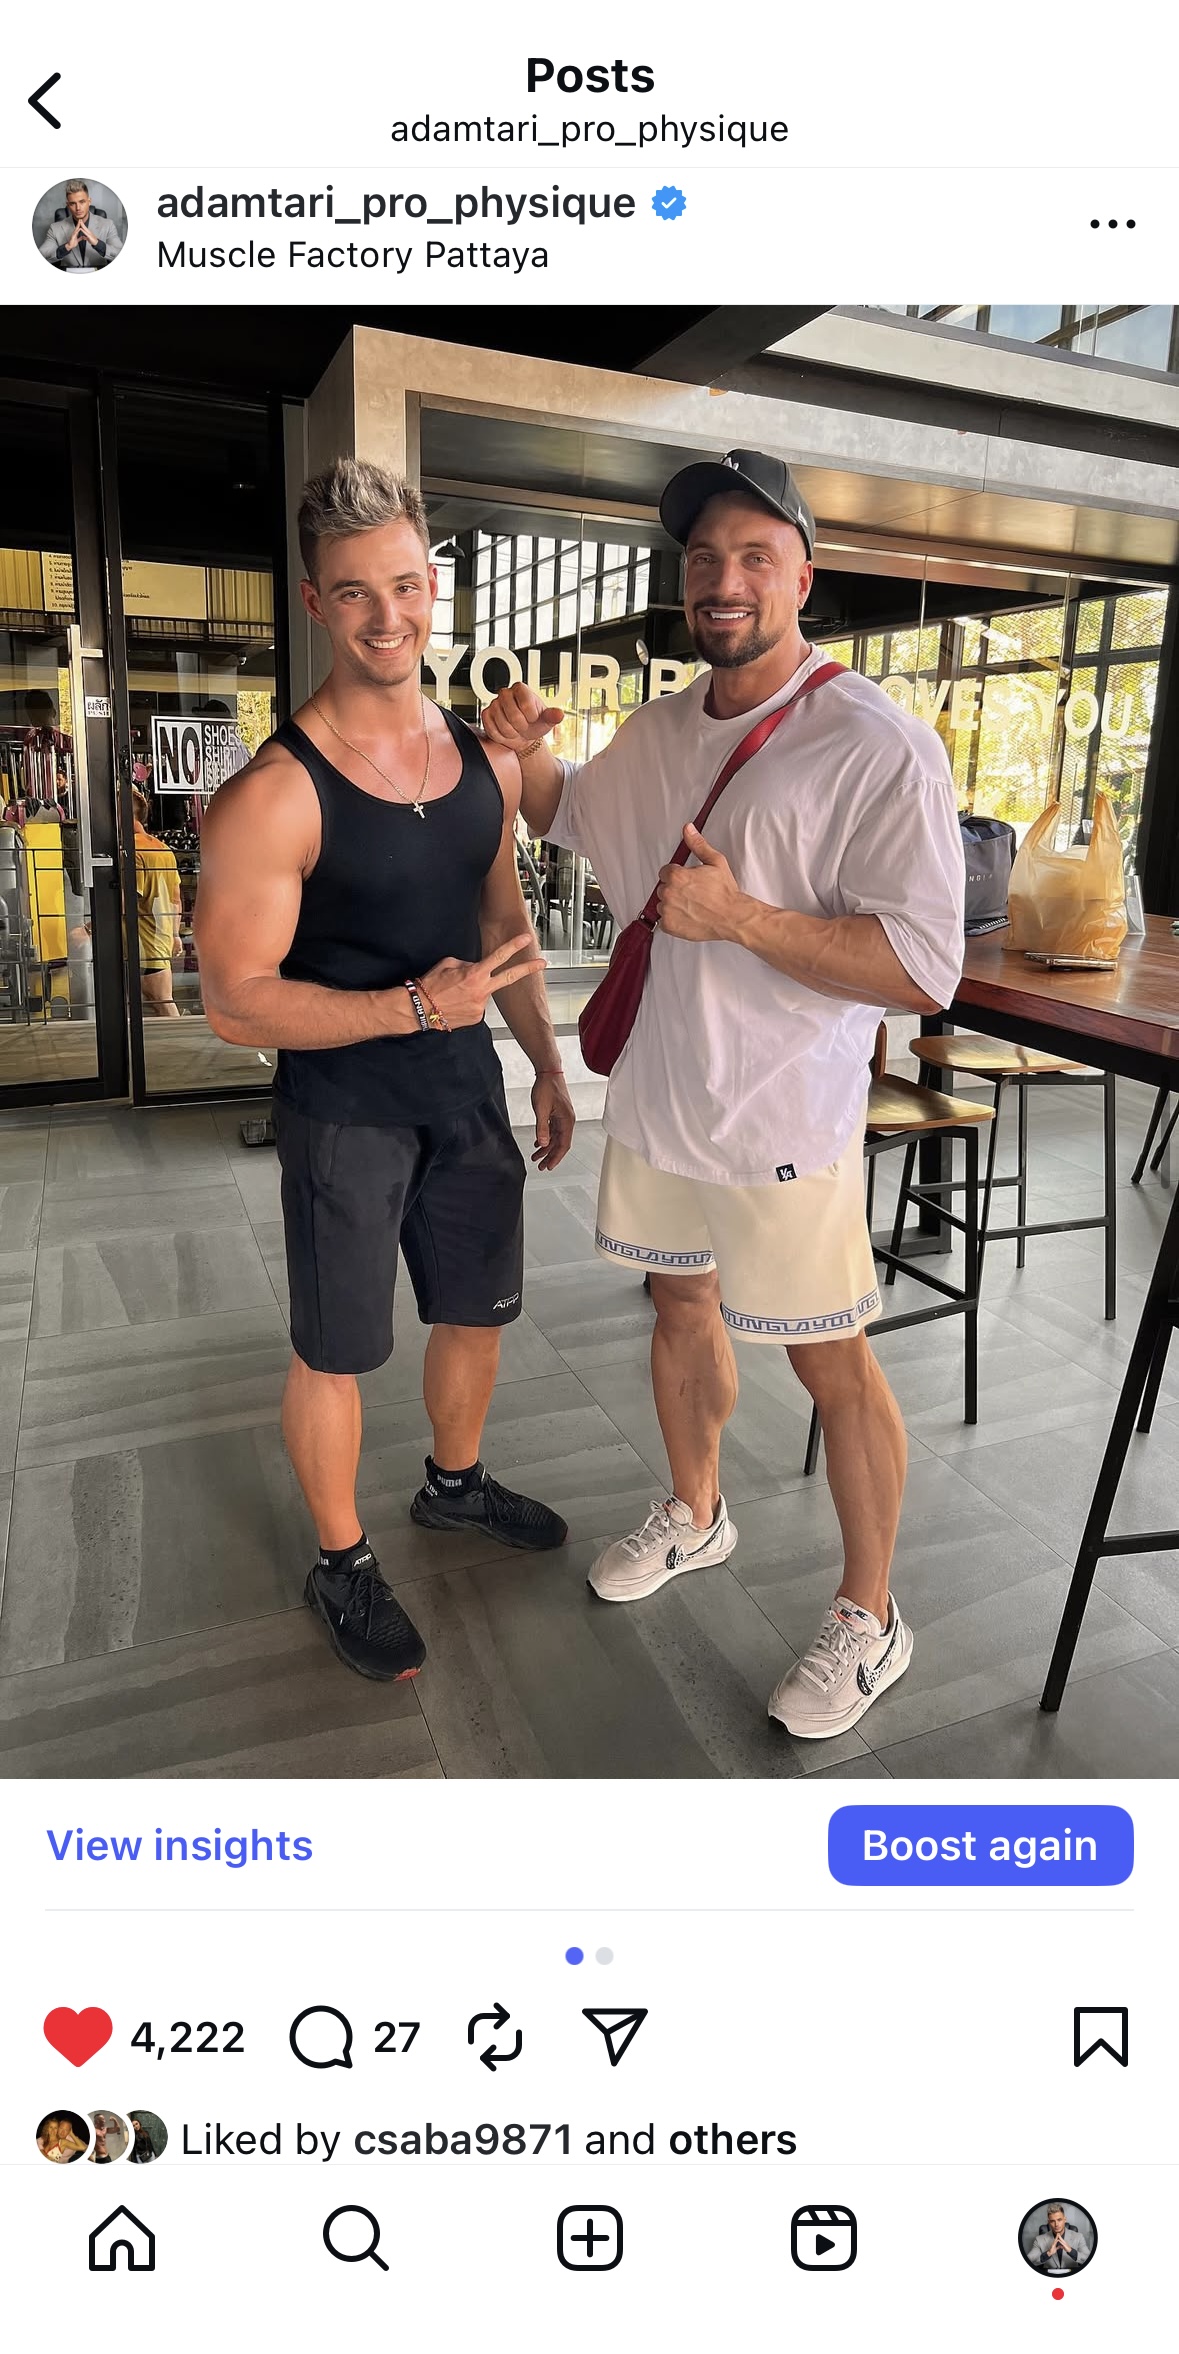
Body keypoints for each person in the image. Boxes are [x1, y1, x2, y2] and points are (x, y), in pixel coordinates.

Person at [483, 447, 965, 1740]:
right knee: (677, 1301)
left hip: (783, 1117)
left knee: (829, 1358)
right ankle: (696, 1510)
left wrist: (743, 916)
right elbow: (569, 812)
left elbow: (923, 966)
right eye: (704, 556)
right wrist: (522, 757)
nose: (724, 578)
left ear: (803, 576)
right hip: (662, 1096)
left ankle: (871, 1613)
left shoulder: (875, 743)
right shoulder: (657, 729)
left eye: (755, 555)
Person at [194, 458, 575, 1684]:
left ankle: (454, 1485)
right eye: (354, 591)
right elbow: (233, 999)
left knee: (475, 1314)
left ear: (432, 586)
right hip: (345, 1113)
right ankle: (341, 1558)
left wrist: (545, 1059)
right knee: (336, 1352)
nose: (386, 615)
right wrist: (409, 1006)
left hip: (467, 1096)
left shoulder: (480, 759)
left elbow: (501, 917)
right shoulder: (274, 795)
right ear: (316, 600)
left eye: (405, 585)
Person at [131, 788, 184, 1016]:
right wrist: (174, 935)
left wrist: (90, 928)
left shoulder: (132, 851)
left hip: (143, 943)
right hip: (160, 938)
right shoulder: (164, 849)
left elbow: (127, 901)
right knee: (159, 1002)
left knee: (162, 1002)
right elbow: (175, 899)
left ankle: (181, 1039)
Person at [40, 180, 123, 270]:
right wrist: (67, 247)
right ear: (68, 205)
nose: (78, 208)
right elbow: (42, 255)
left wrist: (97, 244)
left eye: (82, 202)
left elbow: (119, 253)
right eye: (73, 203)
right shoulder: (55, 228)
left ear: (89, 201)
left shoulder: (108, 225)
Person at [1028, 2205, 1092, 2272]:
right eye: (1052, 2221)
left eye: (1059, 2220)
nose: (1056, 2224)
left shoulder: (1078, 2237)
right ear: (1049, 2222)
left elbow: (1088, 2259)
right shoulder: (1039, 2239)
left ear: (1065, 2219)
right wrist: (1048, 2253)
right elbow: (1030, 2260)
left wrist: (1071, 2251)